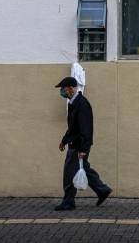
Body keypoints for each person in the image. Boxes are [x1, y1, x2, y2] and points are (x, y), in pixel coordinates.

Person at [53, 77, 112, 211]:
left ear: (70, 88)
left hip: (79, 145)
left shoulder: (82, 104)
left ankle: (68, 202)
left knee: (70, 172)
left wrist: (83, 149)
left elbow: (86, 128)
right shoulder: (73, 103)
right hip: (75, 143)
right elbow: (73, 127)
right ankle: (102, 190)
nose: (61, 91)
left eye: (63, 88)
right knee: (83, 168)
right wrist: (64, 140)